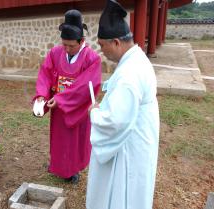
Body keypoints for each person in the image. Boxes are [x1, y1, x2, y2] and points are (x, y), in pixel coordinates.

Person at [86, 0, 160, 209]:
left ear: (117, 42)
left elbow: (115, 122)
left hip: (129, 146)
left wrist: (95, 114)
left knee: (124, 194)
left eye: (102, 45)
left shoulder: (129, 74)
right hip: (138, 137)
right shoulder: (137, 60)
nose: (101, 51)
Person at [33, 9, 101, 184]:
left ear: (82, 41)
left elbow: (87, 86)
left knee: (74, 141)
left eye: (72, 45)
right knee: (59, 140)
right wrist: (41, 96)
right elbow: (46, 74)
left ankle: (72, 170)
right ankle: (57, 165)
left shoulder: (92, 58)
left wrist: (62, 100)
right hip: (57, 107)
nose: (67, 49)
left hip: (76, 108)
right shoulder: (55, 53)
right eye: (64, 44)